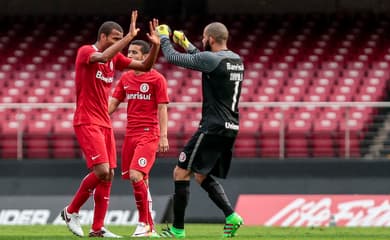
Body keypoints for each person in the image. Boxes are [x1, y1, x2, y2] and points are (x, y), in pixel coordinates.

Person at [60, 11, 160, 238]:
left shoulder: (115, 58)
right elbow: (102, 57)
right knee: (102, 170)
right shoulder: (86, 51)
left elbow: (145, 66)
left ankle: (97, 228)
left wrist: (155, 46)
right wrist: (130, 36)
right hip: (86, 120)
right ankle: (71, 211)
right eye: (116, 39)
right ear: (104, 37)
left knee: (109, 175)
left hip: (104, 122)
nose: (120, 44)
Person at [155, 21, 245, 238]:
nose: (203, 41)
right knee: (201, 176)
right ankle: (231, 216)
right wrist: (187, 44)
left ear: (211, 39)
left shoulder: (211, 59)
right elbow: (205, 59)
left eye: (204, 38)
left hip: (212, 126)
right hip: (231, 126)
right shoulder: (235, 59)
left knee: (180, 171)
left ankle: (177, 230)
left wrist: (164, 37)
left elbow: (173, 58)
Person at [108, 39, 169, 237]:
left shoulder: (157, 79)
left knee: (136, 175)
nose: (130, 56)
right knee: (141, 180)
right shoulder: (125, 78)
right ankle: (149, 227)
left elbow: (162, 108)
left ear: (145, 56)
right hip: (130, 135)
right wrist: (96, 119)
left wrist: (163, 136)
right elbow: (113, 104)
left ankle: (143, 223)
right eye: (129, 53)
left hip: (149, 134)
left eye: (135, 53)